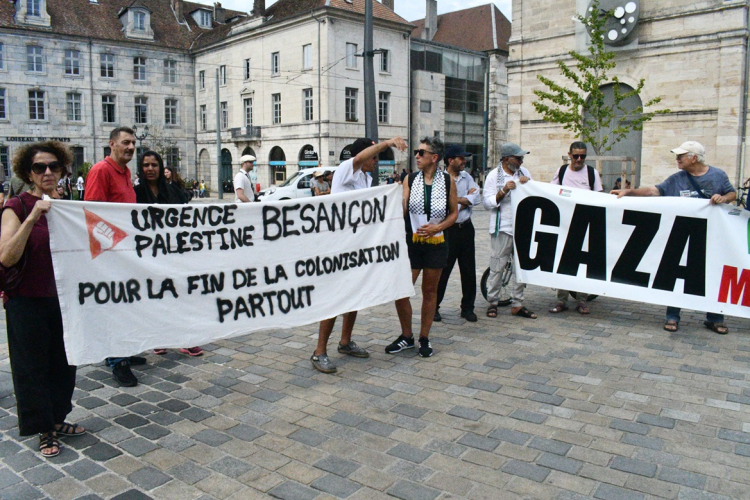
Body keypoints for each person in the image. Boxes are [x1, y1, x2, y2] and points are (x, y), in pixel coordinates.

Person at [1, 141, 85, 458]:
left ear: (62, 170)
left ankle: (58, 417)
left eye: (53, 166)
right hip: (26, 300)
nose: (47, 172)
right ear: (29, 172)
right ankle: (43, 428)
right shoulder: (17, 206)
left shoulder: (68, 205)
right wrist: (33, 216)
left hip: (62, 300)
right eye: (40, 167)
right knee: (32, 366)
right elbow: (6, 257)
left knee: (64, 363)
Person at [612, 140, 735, 334]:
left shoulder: (717, 176)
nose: (677, 159)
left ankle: (715, 318)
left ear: (694, 157)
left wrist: (724, 198)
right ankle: (672, 316)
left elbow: (732, 193)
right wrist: (630, 192)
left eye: (681, 155)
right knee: (675, 275)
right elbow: (655, 191)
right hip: (682, 236)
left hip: (710, 237)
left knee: (711, 274)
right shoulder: (676, 179)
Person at [311, 136, 408, 373]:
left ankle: (345, 341)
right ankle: (318, 351)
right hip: (339, 245)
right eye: (373, 156)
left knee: (355, 294)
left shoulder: (365, 177)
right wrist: (387, 144)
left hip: (358, 245)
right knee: (335, 298)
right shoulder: (346, 169)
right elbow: (361, 157)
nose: (375, 161)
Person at [385, 137, 458, 358]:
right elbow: (404, 208)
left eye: (421, 152)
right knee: (402, 290)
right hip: (413, 241)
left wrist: (439, 228)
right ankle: (406, 335)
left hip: (436, 243)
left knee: (429, 291)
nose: (416, 155)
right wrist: (395, 199)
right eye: (417, 152)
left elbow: (454, 212)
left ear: (434, 158)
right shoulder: (410, 178)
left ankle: (424, 337)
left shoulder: (447, 181)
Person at [85, 127, 145, 387]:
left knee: (127, 304)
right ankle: (116, 360)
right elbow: (93, 214)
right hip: (110, 252)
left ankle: (125, 349)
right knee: (113, 305)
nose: (130, 147)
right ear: (112, 144)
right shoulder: (101, 170)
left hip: (126, 252)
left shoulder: (126, 172)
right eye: (125, 143)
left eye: (133, 143)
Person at [134, 151, 204, 357]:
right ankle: (159, 338)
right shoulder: (135, 193)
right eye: (145, 165)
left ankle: (187, 339)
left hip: (174, 253)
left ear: (161, 166)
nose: (150, 169)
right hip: (148, 255)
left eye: (154, 164)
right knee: (155, 297)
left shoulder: (174, 191)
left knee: (181, 295)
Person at [483, 143, 537, 320]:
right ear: (506, 159)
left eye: (522, 158)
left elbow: (534, 195)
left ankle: (517, 303)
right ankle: (493, 302)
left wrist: (527, 185)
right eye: (518, 157)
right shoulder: (493, 176)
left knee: (520, 267)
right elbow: (487, 202)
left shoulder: (525, 173)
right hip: (503, 227)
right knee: (498, 266)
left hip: (522, 227)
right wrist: (504, 190)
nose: (521, 160)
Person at [549, 141, 603, 315]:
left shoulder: (592, 173)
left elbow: (599, 198)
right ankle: (561, 299)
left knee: (582, 263)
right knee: (564, 262)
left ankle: (581, 299)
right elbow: (550, 191)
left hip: (585, 224)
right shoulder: (562, 171)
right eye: (576, 156)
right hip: (564, 224)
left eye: (583, 156)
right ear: (569, 155)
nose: (579, 159)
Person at [435, 145, 480, 323]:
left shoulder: (467, 177)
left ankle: (468, 308)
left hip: (466, 228)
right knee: (443, 270)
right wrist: (463, 200)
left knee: (469, 271)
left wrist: (455, 200)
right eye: (461, 158)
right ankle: (434, 307)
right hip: (448, 230)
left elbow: (476, 197)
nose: (464, 161)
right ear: (450, 160)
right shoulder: (440, 179)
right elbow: (440, 203)